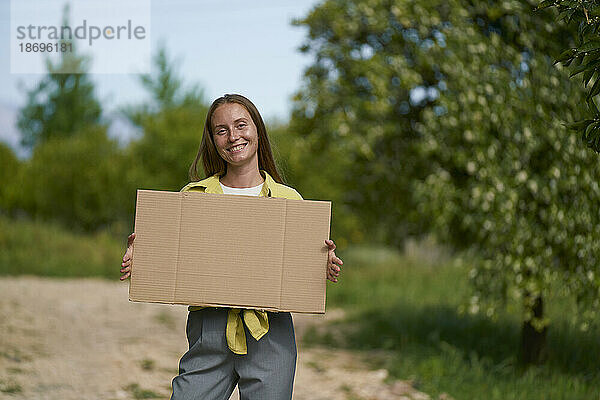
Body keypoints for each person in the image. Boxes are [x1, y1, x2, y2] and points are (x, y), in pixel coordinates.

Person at [120, 93, 344, 400]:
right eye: (221, 130)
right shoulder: (193, 197)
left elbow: (303, 264)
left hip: (270, 331)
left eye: (241, 125)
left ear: (257, 130)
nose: (233, 136)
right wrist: (142, 256)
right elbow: (167, 254)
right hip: (209, 328)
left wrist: (323, 262)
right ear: (212, 139)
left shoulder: (289, 201)